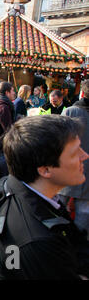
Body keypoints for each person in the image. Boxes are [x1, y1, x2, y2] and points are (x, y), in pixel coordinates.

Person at [0, 114, 89, 280]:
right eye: (74, 153)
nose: (84, 155)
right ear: (45, 170)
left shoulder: (11, 186)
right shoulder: (37, 242)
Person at [59, 80, 89, 237]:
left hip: (67, 168)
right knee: (84, 212)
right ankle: (78, 244)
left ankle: (56, 238)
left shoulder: (70, 112)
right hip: (87, 174)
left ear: (82, 93)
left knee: (57, 206)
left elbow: (58, 139)